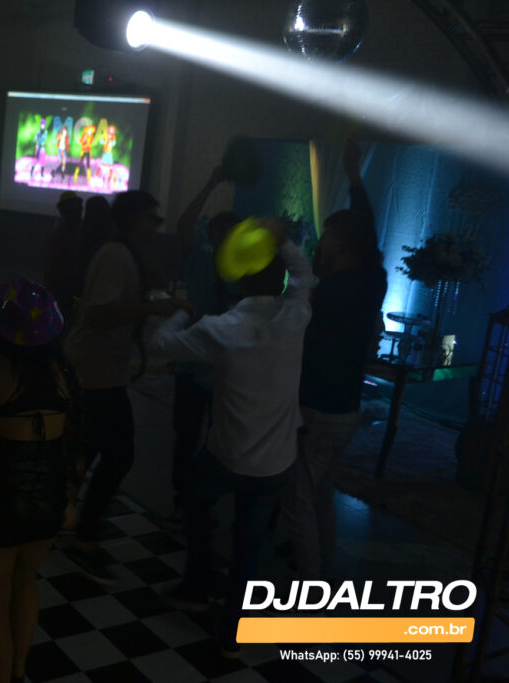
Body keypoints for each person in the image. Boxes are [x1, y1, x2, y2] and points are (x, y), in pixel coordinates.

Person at [152, 219, 312, 657]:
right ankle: (233, 628)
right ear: (279, 279)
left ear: (239, 281)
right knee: (251, 544)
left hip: (226, 456)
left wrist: (181, 311)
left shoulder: (219, 329)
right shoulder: (295, 316)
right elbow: (304, 276)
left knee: (195, 503)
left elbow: (160, 346)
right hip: (276, 462)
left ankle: (196, 584)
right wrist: (283, 239)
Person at [62, 191, 185, 583]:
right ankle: (83, 537)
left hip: (99, 371)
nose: (157, 227)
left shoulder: (124, 254)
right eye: (153, 219)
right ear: (134, 220)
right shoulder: (116, 256)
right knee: (118, 454)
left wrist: (151, 289)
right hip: (95, 373)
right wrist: (153, 307)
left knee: (89, 450)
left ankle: (63, 518)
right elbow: (98, 313)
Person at [283, 140, 387, 580]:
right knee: (322, 493)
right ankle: (323, 566)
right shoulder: (373, 280)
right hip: (346, 409)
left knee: (299, 499)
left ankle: (310, 582)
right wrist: (353, 178)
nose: (321, 243)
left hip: (320, 409)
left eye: (327, 237)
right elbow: (368, 230)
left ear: (342, 245)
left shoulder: (327, 295)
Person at [0, 278, 72, 683]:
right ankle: (19, 670)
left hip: (0, 501)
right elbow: (71, 443)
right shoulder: (63, 374)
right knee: (26, 582)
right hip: (48, 500)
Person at [170, 166, 240, 524]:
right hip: (193, 365)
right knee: (186, 436)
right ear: (212, 235)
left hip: (225, 370)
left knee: (218, 440)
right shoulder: (200, 259)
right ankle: (185, 501)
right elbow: (183, 226)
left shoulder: (244, 272)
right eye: (219, 233)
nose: (223, 240)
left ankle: (201, 502)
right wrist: (210, 183)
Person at [65, 195, 113, 325]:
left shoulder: (82, 237)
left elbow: (79, 271)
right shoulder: (112, 239)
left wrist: (77, 299)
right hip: (105, 300)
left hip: (85, 298)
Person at [43, 191, 83, 317]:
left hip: (61, 292)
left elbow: (50, 267)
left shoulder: (58, 235)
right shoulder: (85, 232)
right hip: (75, 293)